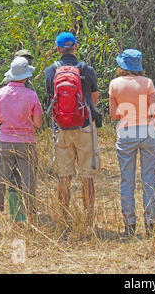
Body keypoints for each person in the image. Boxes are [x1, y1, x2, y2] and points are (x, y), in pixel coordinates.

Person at [45, 32, 100, 235]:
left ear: (58, 49)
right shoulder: (87, 70)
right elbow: (93, 100)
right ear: (75, 47)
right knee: (87, 176)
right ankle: (88, 222)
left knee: (64, 177)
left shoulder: (50, 72)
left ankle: (63, 220)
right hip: (85, 127)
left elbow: (51, 99)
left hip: (61, 129)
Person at [109, 49, 155, 238]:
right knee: (148, 180)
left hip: (126, 133)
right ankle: (150, 224)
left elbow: (114, 115)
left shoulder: (114, 84)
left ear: (123, 65)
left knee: (127, 180)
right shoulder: (147, 83)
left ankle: (129, 224)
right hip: (148, 131)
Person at [0, 56, 43, 233]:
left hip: (5, 141)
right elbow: (38, 124)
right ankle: (31, 222)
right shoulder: (31, 95)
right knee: (29, 182)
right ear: (26, 76)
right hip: (26, 142)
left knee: (0, 181)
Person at [0, 49, 35, 223]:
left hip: (9, 137)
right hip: (15, 137)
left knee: (18, 178)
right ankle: (17, 215)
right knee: (14, 178)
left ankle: (21, 214)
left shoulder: (19, 82)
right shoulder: (9, 83)